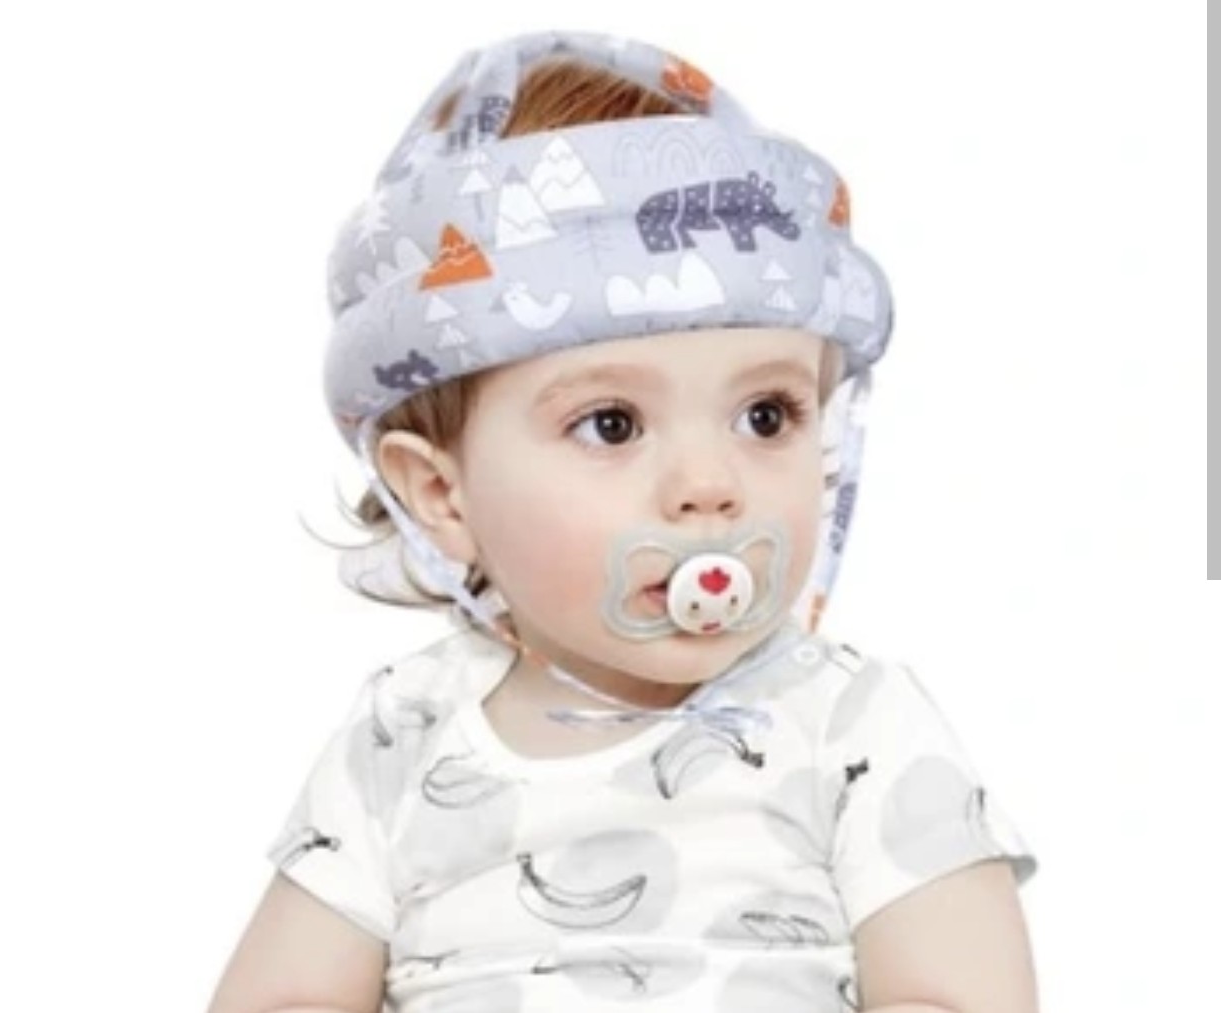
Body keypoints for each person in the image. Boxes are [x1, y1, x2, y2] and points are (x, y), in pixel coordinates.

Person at [206, 30, 1040, 1013]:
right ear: (441, 495)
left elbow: (963, 994)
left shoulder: (852, 723)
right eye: (611, 423)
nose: (708, 484)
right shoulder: (402, 736)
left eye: (765, 415)